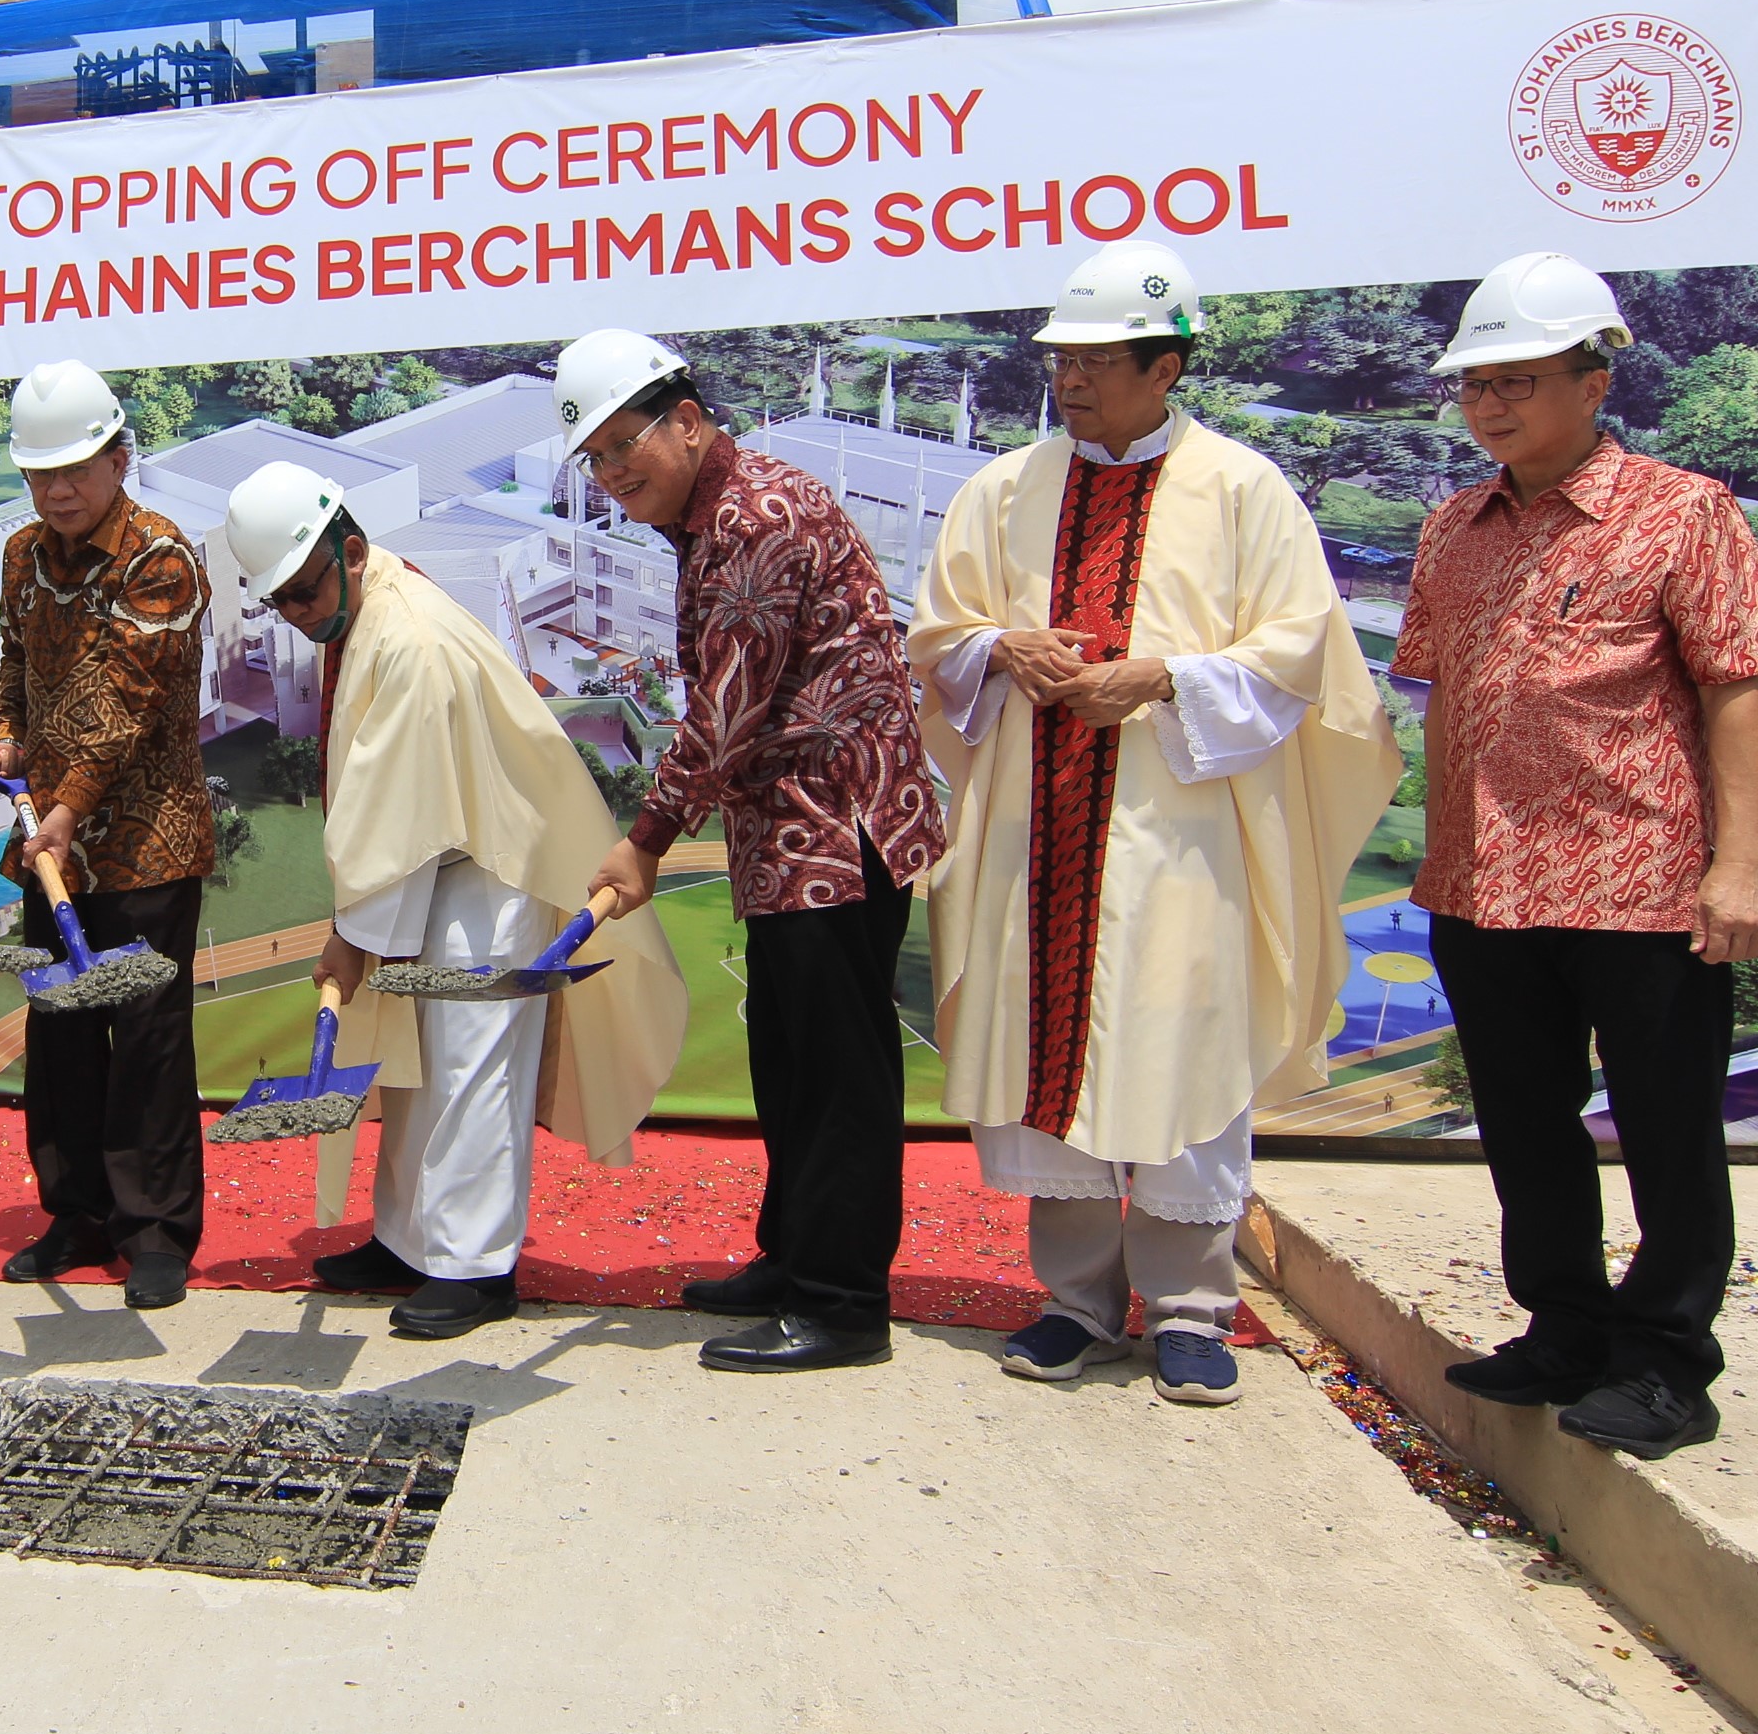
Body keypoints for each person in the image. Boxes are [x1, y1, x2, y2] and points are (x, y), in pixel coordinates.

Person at [908, 243, 1397, 1406]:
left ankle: (1189, 1310)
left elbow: (1296, 655)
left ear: (1167, 364)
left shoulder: (1243, 490)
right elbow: (940, 634)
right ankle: (1075, 1304)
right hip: (1039, 833)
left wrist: (1167, 679)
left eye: (1096, 360)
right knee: (1047, 1057)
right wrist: (997, 649)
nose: (1070, 381)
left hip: (1184, 835)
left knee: (1180, 1043)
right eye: (1061, 361)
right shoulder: (1004, 488)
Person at [1398, 254, 1758, 1461]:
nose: (1489, 406)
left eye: (1518, 380)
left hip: (1636, 875)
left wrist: (1742, 866)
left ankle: (1664, 1362)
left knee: (1663, 1123)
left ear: (1594, 380)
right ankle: (1562, 1324)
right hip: (1482, 882)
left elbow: (1736, 691)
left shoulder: (1683, 512)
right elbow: (1443, 688)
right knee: (1525, 1119)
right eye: (1474, 385)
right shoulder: (1456, 523)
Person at [221, 462, 687, 1336]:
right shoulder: (368, 609)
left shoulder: (411, 639)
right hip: (433, 856)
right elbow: (391, 812)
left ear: (351, 552)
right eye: (279, 601)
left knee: (473, 1069)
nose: (297, 613)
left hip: (488, 867)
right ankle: (406, 1241)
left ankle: (475, 1268)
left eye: (306, 591)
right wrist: (359, 933)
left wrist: (351, 942)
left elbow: (404, 819)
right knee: (412, 1064)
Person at [565, 330, 947, 1373]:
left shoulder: (753, 519)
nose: (611, 475)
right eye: (594, 460)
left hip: (838, 825)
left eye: (622, 446)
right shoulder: (708, 514)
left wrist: (644, 842)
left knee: (837, 1073)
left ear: (688, 422)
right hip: (790, 831)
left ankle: (842, 1303)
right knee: (787, 1060)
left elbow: (726, 708)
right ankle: (796, 1258)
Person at [0, 359, 214, 1310]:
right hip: (49, 840)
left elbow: (124, 702)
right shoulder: (19, 554)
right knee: (61, 1033)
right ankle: (74, 1212)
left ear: (121, 456)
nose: (60, 489)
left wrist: (66, 809)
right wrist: (4, 735)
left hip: (145, 838)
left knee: (149, 1038)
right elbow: (13, 665)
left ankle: (155, 1230)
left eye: (77, 467)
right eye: (40, 474)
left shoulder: (161, 555)